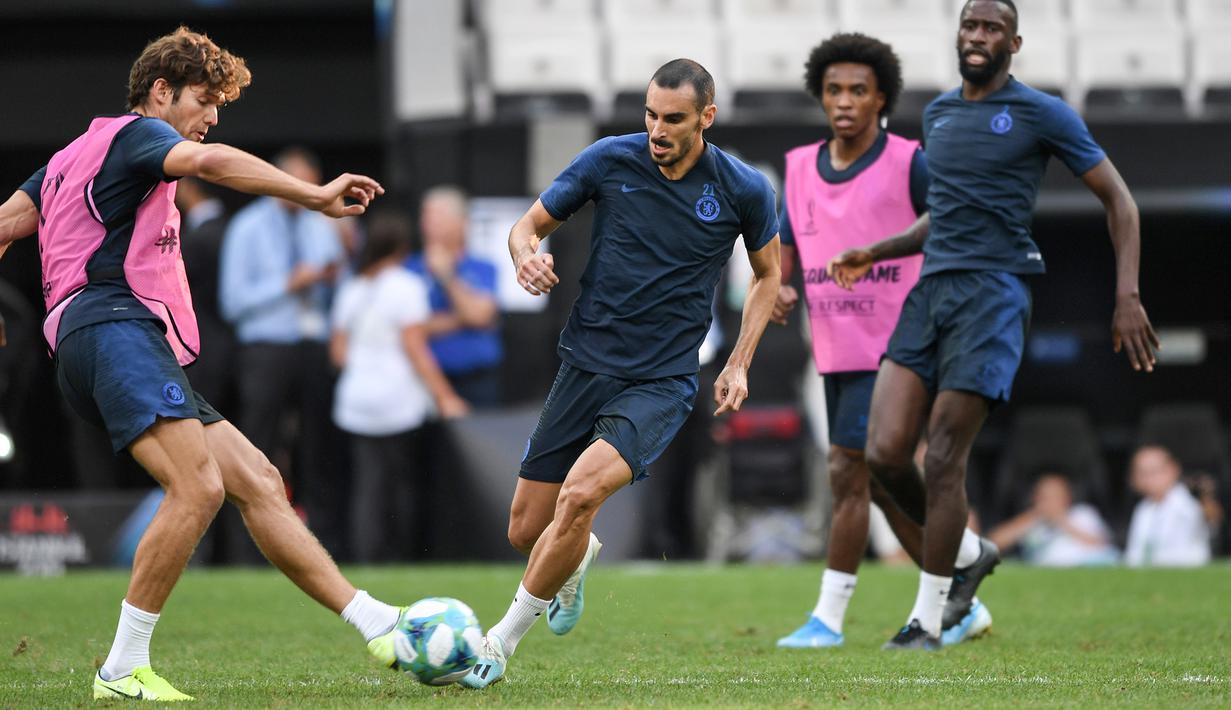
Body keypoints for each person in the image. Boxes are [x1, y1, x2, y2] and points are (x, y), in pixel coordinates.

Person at [0, 27, 413, 700]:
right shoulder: (141, 137)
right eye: (203, 100)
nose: (212, 118)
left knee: (258, 478)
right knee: (198, 489)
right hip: (111, 325)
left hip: (94, 336)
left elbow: (4, 224)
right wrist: (311, 195)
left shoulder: (70, 156)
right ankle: (121, 668)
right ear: (160, 92)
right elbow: (212, 163)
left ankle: (376, 622)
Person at [827, 0, 1158, 649]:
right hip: (932, 291)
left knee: (945, 456)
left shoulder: (1042, 113)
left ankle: (928, 617)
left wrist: (1126, 294)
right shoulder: (940, 113)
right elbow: (942, 217)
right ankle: (970, 550)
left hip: (994, 294)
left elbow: (1119, 199)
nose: (977, 37)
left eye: (991, 29)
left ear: (1013, 42)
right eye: (969, 26)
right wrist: (877, 250)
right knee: (884, 454)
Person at [461, 58, 782, 689]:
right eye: (650, 115)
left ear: (706, 119)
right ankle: (575, 561)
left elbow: (770, 276)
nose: (657, 130)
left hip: (662, 379)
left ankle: (498, 645)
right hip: (585, 365)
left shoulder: (744, 188)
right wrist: (526, 258)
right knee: (528, 527)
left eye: (674, 119)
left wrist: (740, 362)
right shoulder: (610, 158)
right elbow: (527, 228)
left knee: (580, 496)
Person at [772, 33, 994, 651]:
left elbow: (950, 226)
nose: (844, 101)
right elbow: (782, 252)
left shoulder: (911, 161)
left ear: (881, 100)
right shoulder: (798, 169)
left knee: (854, 470)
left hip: (902, 345)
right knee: (876, 481)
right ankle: (963, 582)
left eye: (858, 91)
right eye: (834, 90)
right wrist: (781, 288)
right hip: (836, 346)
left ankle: (830, 618)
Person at [219, 146, 349, 558]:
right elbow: (232, 301)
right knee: (256, 444)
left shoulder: (319, 224)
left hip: (311, 344)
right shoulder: (247, 227)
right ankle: (245, 550)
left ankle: (322, 546)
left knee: (318, 448)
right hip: (265, 348)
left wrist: (327, 280)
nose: (308, 193)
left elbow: (336, 287)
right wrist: (287, 284)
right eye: (299, 185)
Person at [330, 211, 468, 562]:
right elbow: (415, 348)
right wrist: (445, 396)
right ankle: (399, 556)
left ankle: (366, 557)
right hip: (396, 401)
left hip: (356, 401)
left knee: (367, 484)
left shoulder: (352, 287)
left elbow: (338, 353)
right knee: (400, 483)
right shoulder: (407, 287)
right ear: (403, 248)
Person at [404, 186, 503, 407]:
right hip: (423, 381)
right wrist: (464, 317)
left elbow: (481, 317)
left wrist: (446, 276)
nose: (427, 223)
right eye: (425, 215)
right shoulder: (409, 268)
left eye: (437, 216)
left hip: (477, 381)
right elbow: (407, 329)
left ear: (462, 223)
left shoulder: (483, 266)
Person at [988, 472, 1118, 566]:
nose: (1049, 502)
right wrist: (1031, 517)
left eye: (1055, 496)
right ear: (1035, 499)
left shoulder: (1082, 513)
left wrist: (1062, 522)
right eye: (1044, 497)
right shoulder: (1032, 521)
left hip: (1088, 563)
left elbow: (1102, 544)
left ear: (1067, 498)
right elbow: (993, 543)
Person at [1124, 445, 1212, 567]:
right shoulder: (1143, 509)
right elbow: (1134, 553)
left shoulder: (1186, 505)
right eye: (1142, 473)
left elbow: (1210, 517)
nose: (1148, 479)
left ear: (1173, 469)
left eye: (1153, 471)